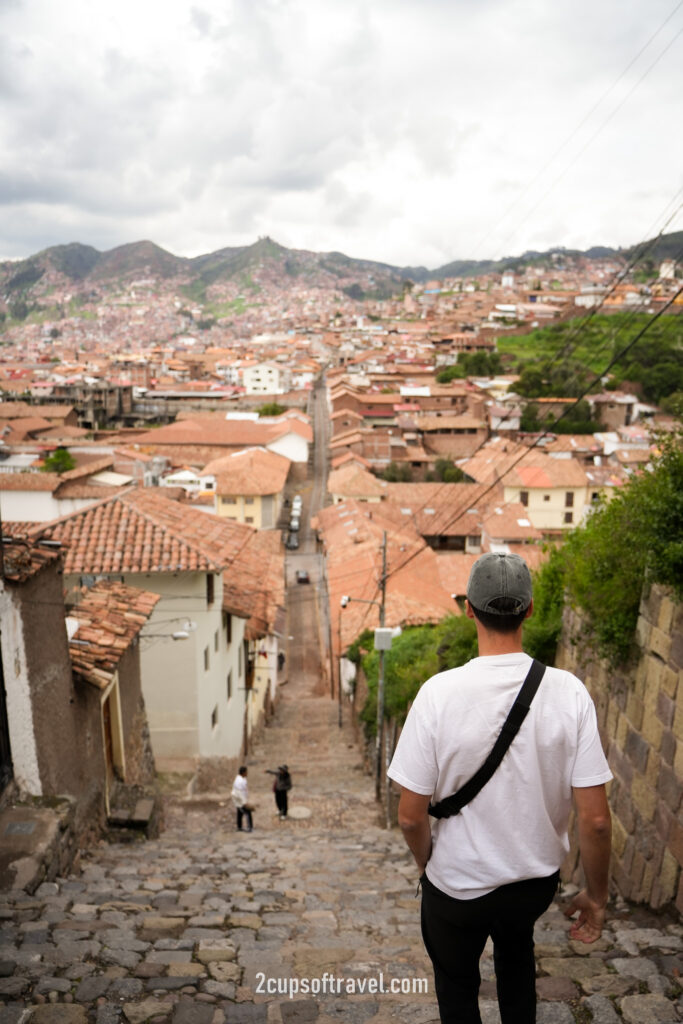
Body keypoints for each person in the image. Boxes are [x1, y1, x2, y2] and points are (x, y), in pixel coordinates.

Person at [387, 551, 612, 1024]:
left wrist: (429, 863)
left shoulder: (437, 694)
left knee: (457, 988)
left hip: (455, 887)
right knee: (517, 964)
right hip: (531, 885)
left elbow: (410, 815)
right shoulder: (569, 692)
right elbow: (595, 820)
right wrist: (597, 897)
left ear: (468, 608)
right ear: (530, 610)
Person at [231, 765, 253, 832]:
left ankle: (239, 827)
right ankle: (249, 827)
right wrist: (244, 802)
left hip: (241, 800)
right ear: (243, 772)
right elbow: (239, 792)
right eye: (246, 772)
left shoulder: (242, 779)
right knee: (247, 812)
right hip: (240, 800)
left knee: (239, 813)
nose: (247, 773)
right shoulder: (239, 781)